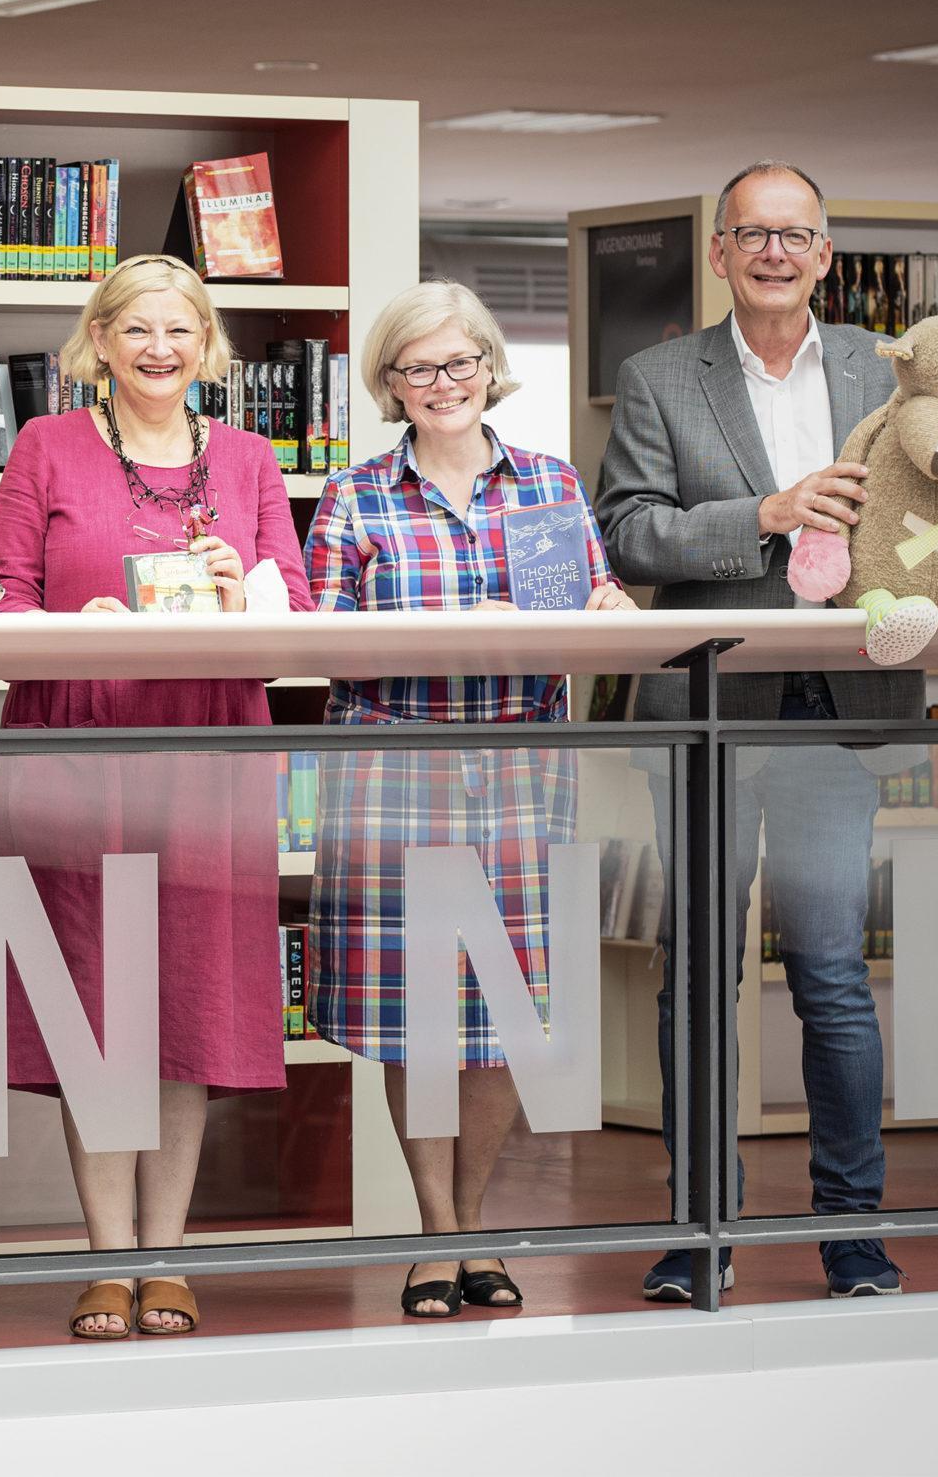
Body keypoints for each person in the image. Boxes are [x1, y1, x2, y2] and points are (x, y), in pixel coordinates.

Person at [592, 161, 938, 1301]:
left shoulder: (885, 366)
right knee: (695, 978)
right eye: (750, 233)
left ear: (827, 252)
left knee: (830, 973)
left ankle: (853, 1235)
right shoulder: (657, 376)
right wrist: (763, 514)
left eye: (794, 235)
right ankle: (700, 1233)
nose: (772, 252)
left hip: (843, 709)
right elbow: (628, 535)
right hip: (709, 709)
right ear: (718, 252)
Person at [0, 253, 311, 1340]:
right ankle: (103, 1255)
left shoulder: (255, 460)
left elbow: (293, 625)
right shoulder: (45, 445)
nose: (159, 349)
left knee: (187, 1003)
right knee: (92, 1008)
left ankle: (165, 1255)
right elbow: (1, 605)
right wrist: (63, 632)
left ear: (206, 342)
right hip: (73, 753)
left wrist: (238, 593)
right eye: (136, 330)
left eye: (178, 330)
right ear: (100, 342)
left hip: (208, 760)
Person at [303, 280, 635, 1320]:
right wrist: (447, 624)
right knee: (417, 1015)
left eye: (459, 363)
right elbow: (316, 641)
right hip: (393, 766)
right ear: (389, 384)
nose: (441, 384)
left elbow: (586, 604)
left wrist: (607, 603)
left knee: (498, 1014)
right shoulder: (356, 493)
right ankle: (435, 1230)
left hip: (518, 767)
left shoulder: (547, 484)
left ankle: (474, 1226)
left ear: (491, 366)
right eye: (417, 367)